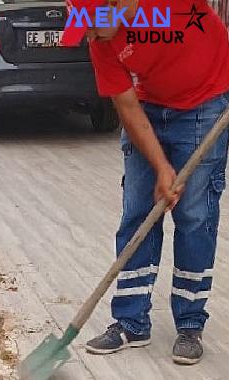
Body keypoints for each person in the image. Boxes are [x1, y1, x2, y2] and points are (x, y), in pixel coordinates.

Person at [61, 0, 229, 365]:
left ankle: (189, 323)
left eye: (91, 24)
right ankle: (130, 321)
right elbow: (126, 104)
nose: (88, 35)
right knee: (138, 212)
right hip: (148, 105)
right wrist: (160, 166)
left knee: (194, 217)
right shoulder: (101, 41)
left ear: (115, 5)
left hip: (204, 103)